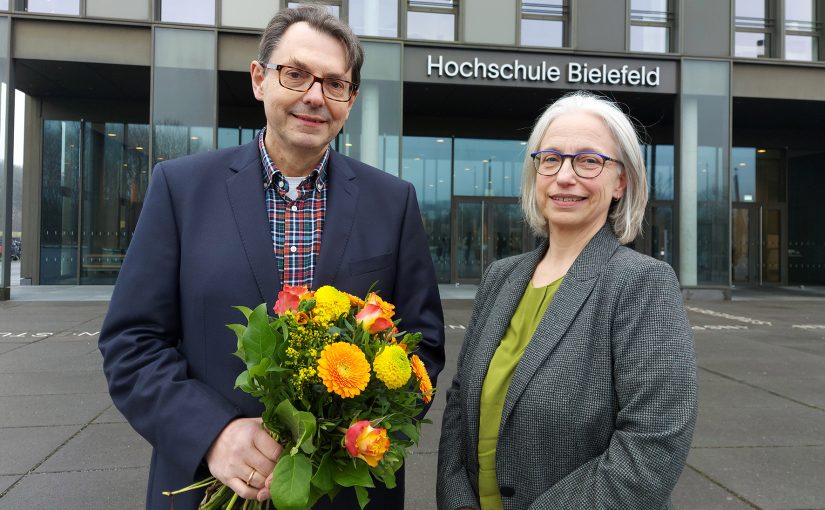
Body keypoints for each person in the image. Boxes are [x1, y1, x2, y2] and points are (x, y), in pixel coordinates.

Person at [98, 6, 444, 509]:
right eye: (296, 74)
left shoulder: (393, 203)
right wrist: (213, 434)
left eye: (334, 84)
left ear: (350, 100)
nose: (314, 96)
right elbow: (132, 342)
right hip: (209, 484)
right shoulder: (180, 189)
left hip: (344, 494)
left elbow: (423, 349)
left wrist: (345, 437)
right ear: (259, 79)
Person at [436, 91, 696, 509]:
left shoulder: (642, 284)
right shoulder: (501, 277)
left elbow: (653, 443)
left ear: (621, 181)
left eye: (589, 160)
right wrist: (457, 500)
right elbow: (459, 408)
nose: (564, 176)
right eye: (551, 159)